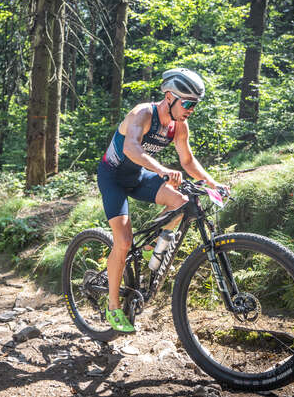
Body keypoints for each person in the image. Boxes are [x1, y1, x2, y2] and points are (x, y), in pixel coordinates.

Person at [97, 68, 229, 333]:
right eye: (188, 102)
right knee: (122, 241)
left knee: (181, 202)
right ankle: (112, 307)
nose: (191, 109)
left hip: (137, 176)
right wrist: (161, 170)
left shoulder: (179, 125)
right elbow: (130, 148)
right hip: (112, 177)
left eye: (195, 104)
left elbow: (188, 161)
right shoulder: (143, 113)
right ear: (170, 96)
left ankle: (152, 249)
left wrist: (214, 184)